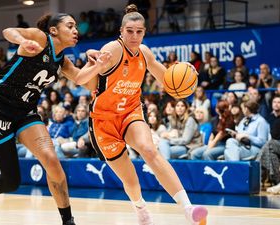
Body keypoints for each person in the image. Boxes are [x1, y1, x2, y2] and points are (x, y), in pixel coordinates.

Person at [0, 13, 109, 225]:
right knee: (11, 181)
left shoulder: (62, 60)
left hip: (25, 112)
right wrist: (22, 41)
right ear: (54, 30)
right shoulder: (40, 38)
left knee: (52, 161)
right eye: (70, 26)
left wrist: (98, 65)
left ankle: (68, 220)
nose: (75, 31)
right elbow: (7, 31)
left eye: (75, 27)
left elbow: (82, 79)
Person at [76, 4, 207, 225]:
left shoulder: (145, 53)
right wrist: (97, 65)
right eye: (129, 31)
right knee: (131, 180)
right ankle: (140, 207)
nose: (134, 36)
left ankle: (188, 209)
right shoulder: (114, 49)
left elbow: (169, 83)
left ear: (144, 32)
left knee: (149, 149)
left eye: (139, 32)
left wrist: (186, 76)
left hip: (130, 112)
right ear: (121, 31)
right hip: (103, 120)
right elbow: (80, 80)